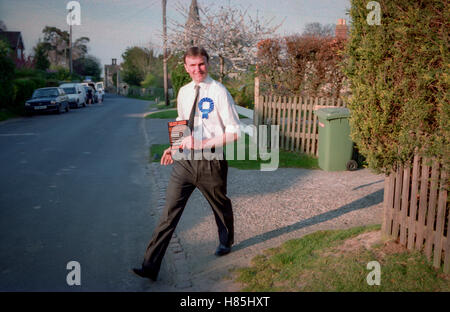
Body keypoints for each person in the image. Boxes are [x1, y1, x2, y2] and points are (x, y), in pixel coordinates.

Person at [132, 47, 240, 281]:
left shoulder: (219, 91)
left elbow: (234, 133)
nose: (197, 69)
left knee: (220, 204)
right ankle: (150, 265)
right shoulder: (183, 92)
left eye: (201, 64)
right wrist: (174, 147)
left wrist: (202, 143)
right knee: (169, 213)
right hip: (185, 163)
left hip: (211, 161)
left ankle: (226, 240)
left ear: (207, 63)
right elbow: (182, 123)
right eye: (192, 65)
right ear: (186, 67)